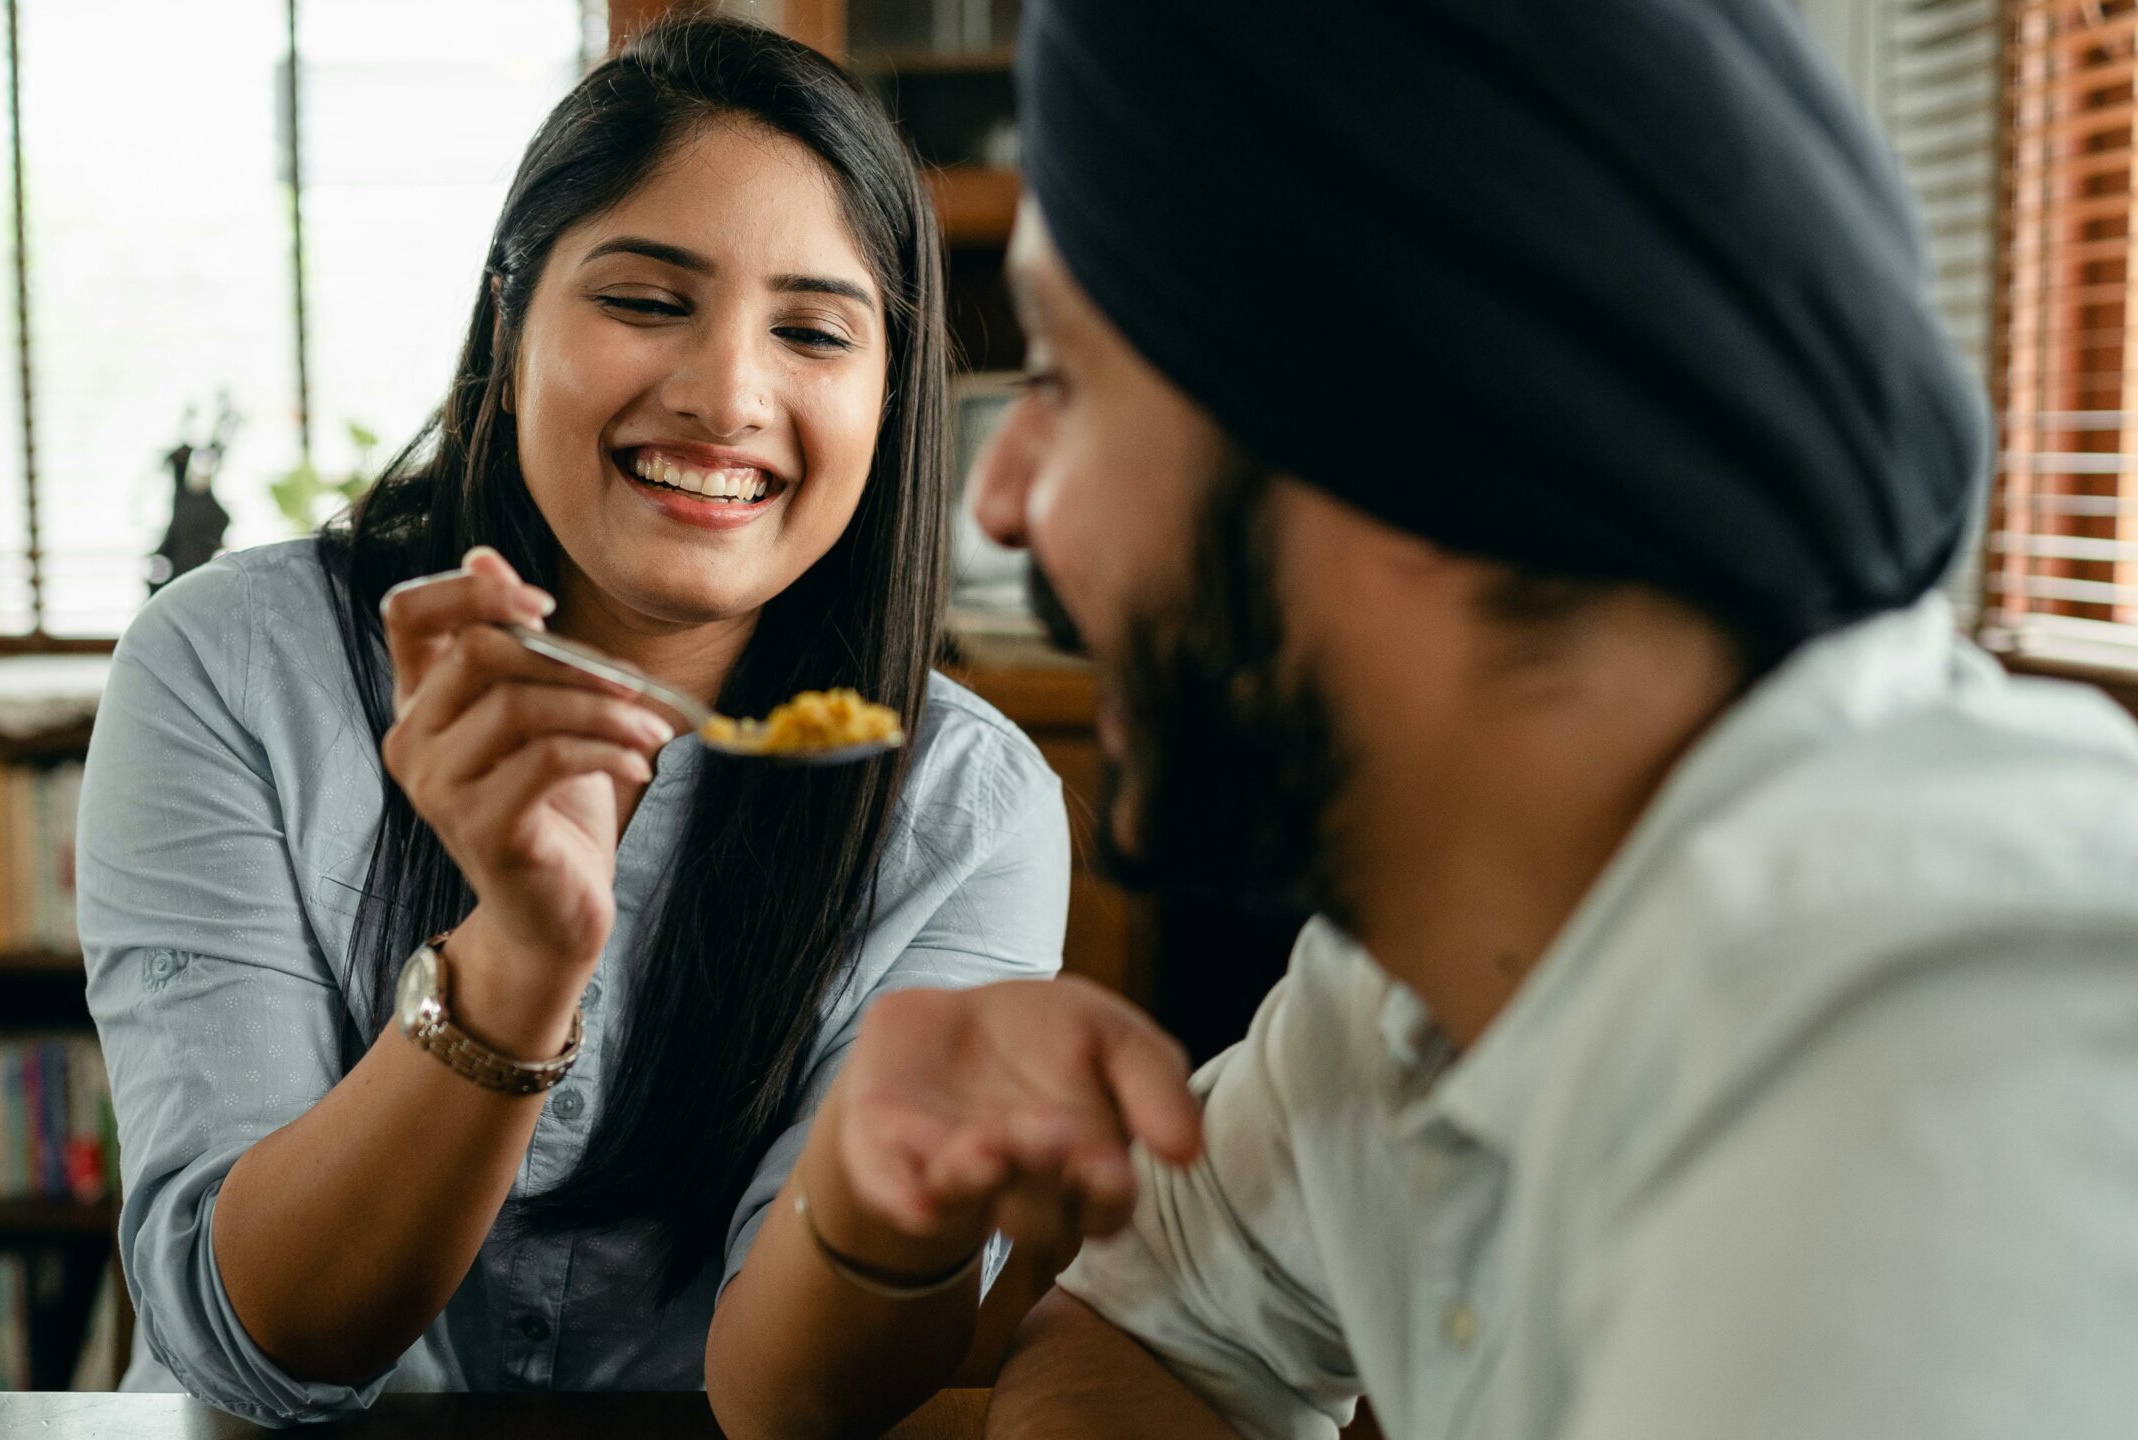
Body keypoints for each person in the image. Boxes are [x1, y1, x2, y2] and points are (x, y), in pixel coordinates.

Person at [793, 2, 2138, 1438]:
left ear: (1390, 419)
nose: (996, 504)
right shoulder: (1409, 975)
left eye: (1058, 380)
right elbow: (1140, 1334)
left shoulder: (1951, 1074)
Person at [76, 18, 1070, 1428]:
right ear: (512, 311)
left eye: (811, 331)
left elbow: (796, 1412)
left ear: (891, 388)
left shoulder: (968, 809)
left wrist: (903, 1193)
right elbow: (262, 1346)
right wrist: (519, 962)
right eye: (651, 301)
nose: (728, 396)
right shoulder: (232, 670)